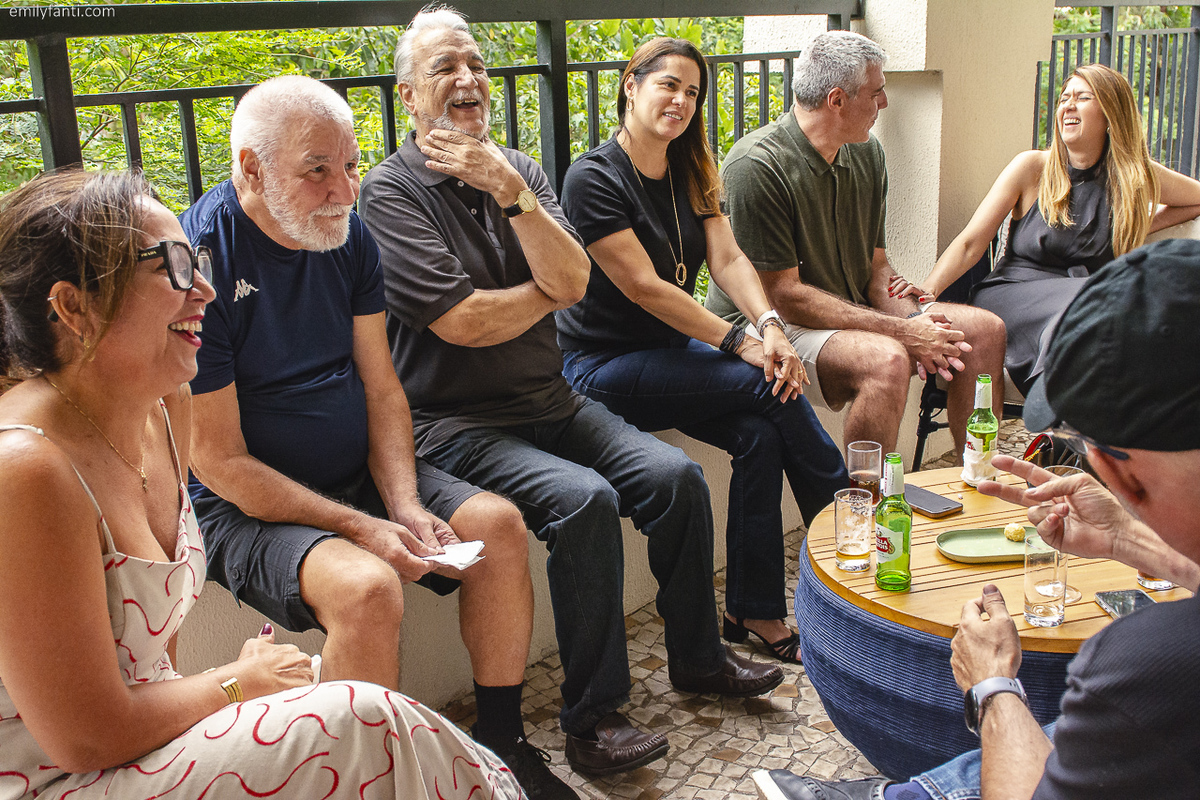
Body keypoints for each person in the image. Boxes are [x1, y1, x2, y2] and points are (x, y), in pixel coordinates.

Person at [0, 169, 522, 800]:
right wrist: (239, 682)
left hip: (145, 740)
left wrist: (236, 688)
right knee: (360, 718)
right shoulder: (26, 470)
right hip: (63, 778)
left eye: (196, 261)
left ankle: (506, 751)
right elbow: (83, 738)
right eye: (171, 264)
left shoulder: (164, 404)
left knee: (369, 723)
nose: (206, 291)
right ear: (71, 307)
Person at [359, 6, 783, 779]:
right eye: (445, 69)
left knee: (676, 478)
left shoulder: (518, 168)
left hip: (551, 400)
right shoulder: (390, 195)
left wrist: (510, 192)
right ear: (409, 94)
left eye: (477, 66)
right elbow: (462, 323)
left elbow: (577, 279)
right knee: (585, 500)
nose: (468, 81)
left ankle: (697, 657)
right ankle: (594, 719)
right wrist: (543, 289)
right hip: (456, 424)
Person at [178, 75, 561, 797]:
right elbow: (220, 462)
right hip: (243, 503)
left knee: (499, 529)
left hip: (357, 469)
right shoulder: (200, 265)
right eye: (317, 171)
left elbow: (382, 386)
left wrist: (406, 504)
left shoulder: (345, 237)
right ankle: (367, 783)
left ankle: (505, 743)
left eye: (351, 166)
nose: (345, 192)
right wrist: (361, 528)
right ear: (251, 169)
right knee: (367, 590)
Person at [753, 236, 1200, 800]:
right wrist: (1133, 541)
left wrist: (993, 686)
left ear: (1121, 469)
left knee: (1041, 732)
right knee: (1067, 739)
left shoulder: (1152, 665)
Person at [558, 37, 847, 665]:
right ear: (631, 85)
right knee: (762, 384)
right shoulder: (593, 178)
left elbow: (728, 257)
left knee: (759, 434)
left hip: (673, 359)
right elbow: (644, 288)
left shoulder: (689, 168)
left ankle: (754, 609)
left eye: (693, 92)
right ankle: (852, 524)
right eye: (668, 85)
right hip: (603, 367)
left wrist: (769, 324)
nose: (682, 101)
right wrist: (741, 343)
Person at [705, 31, 1006, 457]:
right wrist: (905, 332)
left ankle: (977, 476)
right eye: (877, 92)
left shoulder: (867, 154)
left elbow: (875, 267)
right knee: (887, 360)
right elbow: (784, 297)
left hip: (839, 308)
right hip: (767, 322)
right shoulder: (756, 165)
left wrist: (914, 313)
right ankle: (864, 511)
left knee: (982, 331)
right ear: (837, 100)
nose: (884, 103)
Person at [894, 63, 1200, 395]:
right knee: (1100, 301)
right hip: (1013, 293)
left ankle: (1085, 426)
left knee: (1120, 310)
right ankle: (1061, 407)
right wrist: (929, 288)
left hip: (1085, 299)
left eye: (1082, 97)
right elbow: (972, 242)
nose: (1068, 105)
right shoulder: (1032, 167)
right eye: (1064, 97)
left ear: (1112, 114)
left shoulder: (1133, 175)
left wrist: (1136, 224)